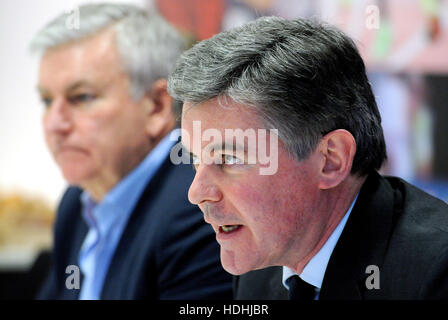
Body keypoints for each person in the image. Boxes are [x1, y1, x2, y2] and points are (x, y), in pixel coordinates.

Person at [167, 16, 448, 299]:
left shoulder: (435, 273)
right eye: (195, 159)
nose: (196, 193)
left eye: (228, 159)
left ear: (330, 160)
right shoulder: (261, 270)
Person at [31, 3, 232, 300]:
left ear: (156, 106)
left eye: (81, 97)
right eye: (47, 101)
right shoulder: (77, 202)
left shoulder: (200, 205)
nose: (55, 123)